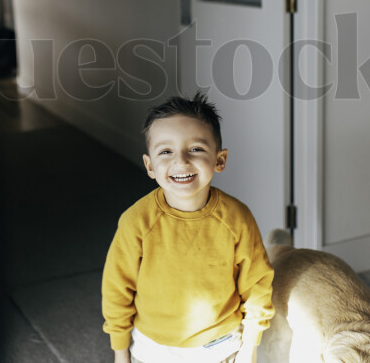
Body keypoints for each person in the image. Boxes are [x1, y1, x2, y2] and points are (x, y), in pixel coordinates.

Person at [102, 93, 274, 363]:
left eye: (195, 149)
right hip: (152, 350)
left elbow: (257, 285)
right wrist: (120, 351)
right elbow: (117, 288)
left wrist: (250, 346)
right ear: (150, 165)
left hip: (221, 348)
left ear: (219, 160)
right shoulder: (136, 221)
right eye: (166, 151)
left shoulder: (238, 219)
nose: (181, 161)